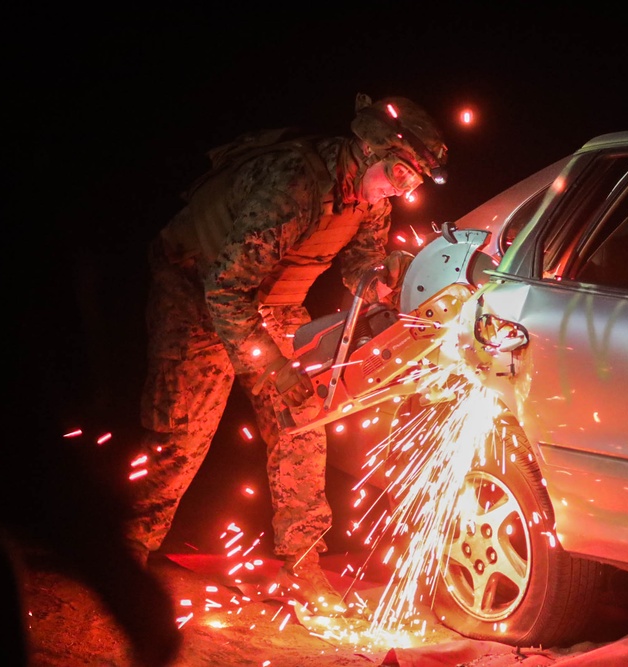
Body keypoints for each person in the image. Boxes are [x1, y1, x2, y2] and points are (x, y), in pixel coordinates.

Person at [125, 93, 448, 614]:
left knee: (303, 414)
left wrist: (390, 278)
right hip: (197, 288)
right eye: (397, 173)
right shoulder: (292, 185)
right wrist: (273, 366)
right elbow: (226, 291)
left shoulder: (372, 201)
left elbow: (359, 268)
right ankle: (128, 550)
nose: (400, 189)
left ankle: (301, 565)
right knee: (183, 428)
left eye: (410, 183)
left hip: (271, 300)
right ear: (368, 150)